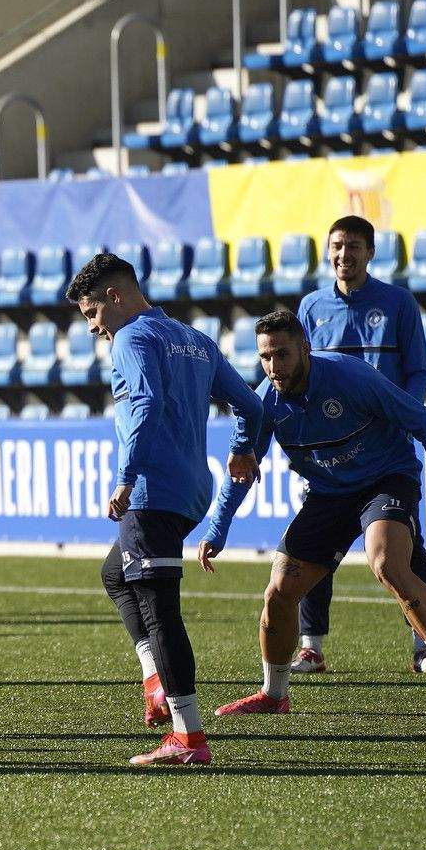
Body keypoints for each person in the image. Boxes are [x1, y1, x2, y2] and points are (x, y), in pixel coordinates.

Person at [198, 309, 426, 720]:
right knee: (278, 592)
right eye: (265, 357)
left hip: (385, 479)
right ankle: (274, 694)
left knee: (387, 563)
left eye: (282, 354)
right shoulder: (265, 402)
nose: (274, 366)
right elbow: (243, 468)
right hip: (329, 493)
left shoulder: (351, 378)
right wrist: (218, 527)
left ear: (305, 348)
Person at [67, 252, 263, 767]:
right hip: (193, 491)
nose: (93, 327)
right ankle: (156, 677)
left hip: (152, 492)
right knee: (115, 575)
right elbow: (251, 404)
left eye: (92, 313)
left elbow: (146, 403)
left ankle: (187, 737)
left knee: (160, 613)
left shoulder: (130, 338)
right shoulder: (195, 339)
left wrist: (126, 478)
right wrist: (243, 447)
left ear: (114, 296)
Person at [293, 214, 426, 676]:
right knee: (314, 548)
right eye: (337, 245)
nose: (344, 255)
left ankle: (425, 646)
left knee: (406, 551)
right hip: (331, 452)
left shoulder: (398, 304)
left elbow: (418, 372)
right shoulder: (311, 307)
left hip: (387, 451)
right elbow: (299, 375)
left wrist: (404, 415)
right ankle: (311, 647)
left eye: (354, 246)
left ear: (371, 252)